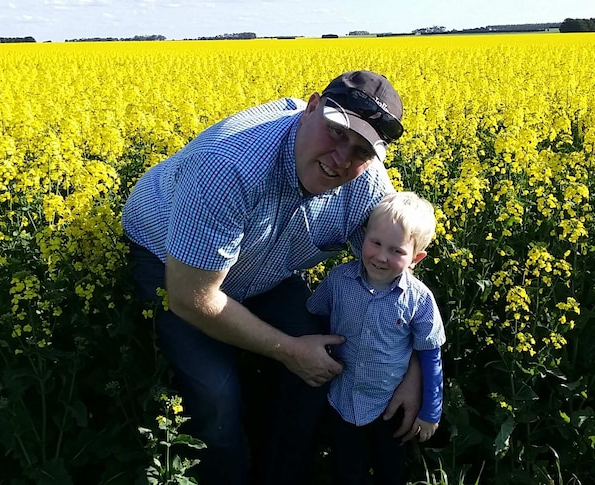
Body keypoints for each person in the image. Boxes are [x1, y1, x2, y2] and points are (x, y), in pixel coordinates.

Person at [121, 70, 423, 485]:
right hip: (174, 262)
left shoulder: (365, 181)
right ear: (312, 106)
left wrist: (414, 367)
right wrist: (289, 350)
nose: (341, 159)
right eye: (336, 133)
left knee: (324, 364)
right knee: (216, 400)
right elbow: (193, 297)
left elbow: (396, 273)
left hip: (267, 268)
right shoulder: (228, 167)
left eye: (360, 151)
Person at [307, 191, 445, 485]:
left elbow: (431, 354)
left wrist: (430, 411)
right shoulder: (338, 280)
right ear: (363, 236)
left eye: (396, 251)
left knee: (391, 470)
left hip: (390, 404)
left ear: (416, 258)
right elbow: (316, 318)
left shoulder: (419, 300)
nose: (381, 256)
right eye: (376, 243)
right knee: (346, 469)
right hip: (342, 398)